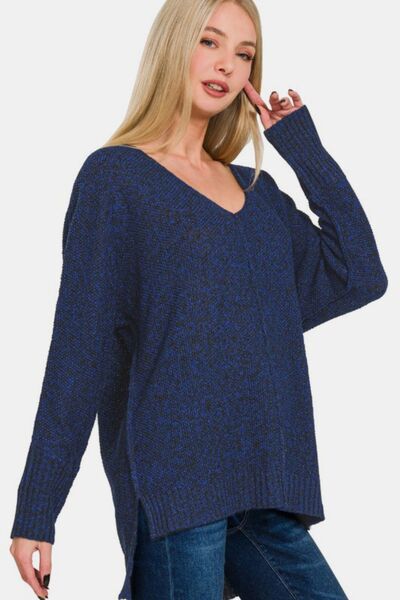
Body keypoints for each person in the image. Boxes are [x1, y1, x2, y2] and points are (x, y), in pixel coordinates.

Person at [9, 1, 388, 599]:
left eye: (245, 54)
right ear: (173, 46)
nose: (227, 65)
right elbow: (81, 352)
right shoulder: (117, 180)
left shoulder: (257, 193)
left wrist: (300, 146)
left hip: (265, 488)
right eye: (209, 42)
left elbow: (360, 274)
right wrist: (38, 508)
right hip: (175, 492)